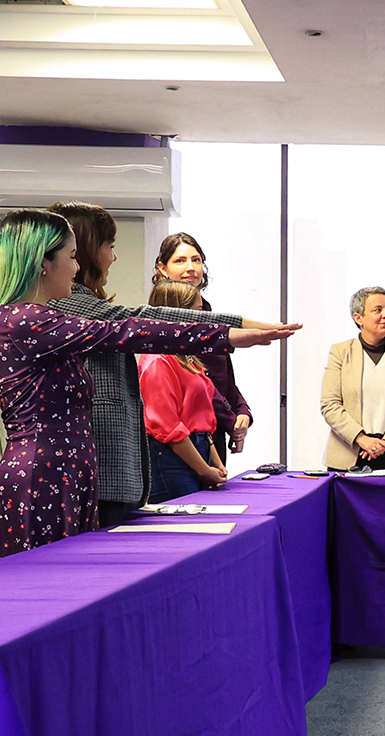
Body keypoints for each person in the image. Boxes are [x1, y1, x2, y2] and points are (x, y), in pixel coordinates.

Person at [0, 209, 291, 555]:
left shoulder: (37, 318)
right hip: (44, 472)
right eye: (71, 256)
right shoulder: (27, 320)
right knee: (47, 575)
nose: (76, 267)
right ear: (42, 263)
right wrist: (225, 334)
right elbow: (128, 328)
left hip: (67, 470)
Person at [152, 232, 253, 461]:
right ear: (163, 268)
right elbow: (198, 381)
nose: (191, 268)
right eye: (180, 261)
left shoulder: (206, 312)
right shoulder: (161, 320)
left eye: (196, 260)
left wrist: (242, 412)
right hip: (185, 438)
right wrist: (231, 419)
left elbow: (223, 375)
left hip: (215, 429)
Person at [138, 282, 229, 501]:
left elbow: (199, 419)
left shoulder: (187, 357)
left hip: (197, 451)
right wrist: (204, 470)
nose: (203, 320)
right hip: (172, 459)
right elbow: (167, 426)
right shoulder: (158, 359)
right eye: (197, 312)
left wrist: (215, 462)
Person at [321, 286, 385, 472]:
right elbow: (330, 405)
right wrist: (362, 439)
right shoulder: (340, 352)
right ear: (358, 318)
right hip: (350, 455)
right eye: (378, 310)